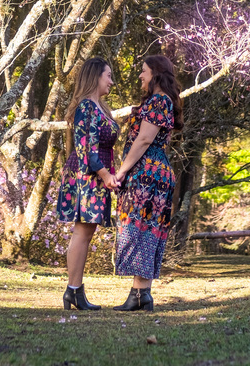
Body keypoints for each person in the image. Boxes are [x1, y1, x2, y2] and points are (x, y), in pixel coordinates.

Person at [112, 54, 184, 311]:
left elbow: (143, 140)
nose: (140, 76)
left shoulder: (158, 100)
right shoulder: (162, 101)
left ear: (155, 74)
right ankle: (141, 294)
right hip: (153, 173)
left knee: (140, 229)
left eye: (144, 71)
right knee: (146, 229)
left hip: (147, 174)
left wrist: (121, 171)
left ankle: (140, 295)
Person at [55, 57, 120, 311]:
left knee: (86, 232)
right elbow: (86, 150)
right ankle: (73, 291)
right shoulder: (86, 107)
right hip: (85, 176)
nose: (111, 81)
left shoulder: (99, 108)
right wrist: (105, 176)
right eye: (108, 75)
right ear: (96, 77)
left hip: (95, 176)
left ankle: (75, 291)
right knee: (82, 232)